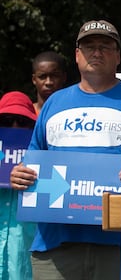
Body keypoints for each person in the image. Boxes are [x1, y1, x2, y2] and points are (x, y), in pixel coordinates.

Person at [8, 19, 121, 279]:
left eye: (105, 47)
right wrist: (20, 176)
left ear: (118, 55)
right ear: (76, 55)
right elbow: (32, 162)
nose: (97, 52)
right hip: (55, 245)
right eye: (89, 47)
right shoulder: (54, 104)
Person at [0, 91, 38, 280]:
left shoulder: (45, 166)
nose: (14, 127)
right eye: (6, 120)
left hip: (24, 266)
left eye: (23, 122)